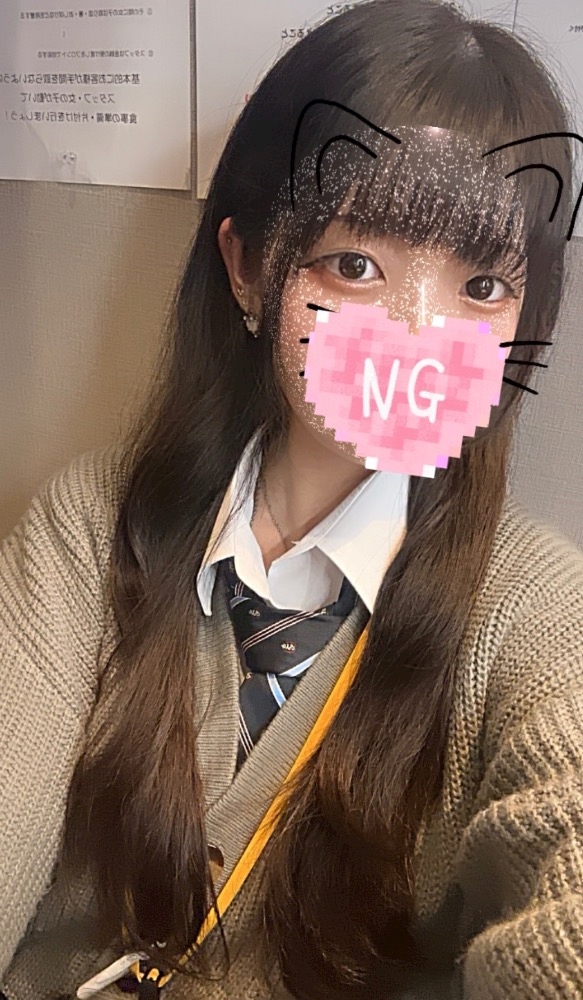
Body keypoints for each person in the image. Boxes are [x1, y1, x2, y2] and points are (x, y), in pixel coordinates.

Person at [1, 1, 583, 998]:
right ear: (247, 268)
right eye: (355, 265)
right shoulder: (88, 523)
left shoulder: (536, 614)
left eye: (482, 289)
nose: (416, 339)